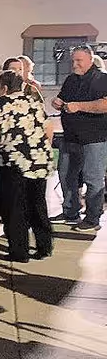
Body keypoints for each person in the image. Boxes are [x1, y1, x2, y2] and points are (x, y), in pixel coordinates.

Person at [0, 70, 55, 261]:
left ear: (3, 87)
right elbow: (49, 128)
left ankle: (19, 251)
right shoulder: (34, 103)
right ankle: (44, 246)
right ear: (22, 86)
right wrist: (40, 147)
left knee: (14, 207)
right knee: (37, 203)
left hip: (15, 162)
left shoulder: (2, 105)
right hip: (39, 160)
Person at [51, 45, 107, 231]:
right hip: (71, 137)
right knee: (66, 175)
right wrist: (57, 102)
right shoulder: (71, 80)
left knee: (93, 178)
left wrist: (79, 106)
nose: (75, 64)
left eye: (79, 61)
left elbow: (104, 105)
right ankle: (70, 211)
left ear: (90, 60)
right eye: (73, 60)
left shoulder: (102, 79)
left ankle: (92, 218)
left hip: (95, 138)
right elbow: (63, 99)